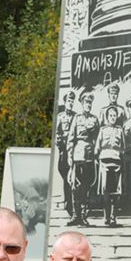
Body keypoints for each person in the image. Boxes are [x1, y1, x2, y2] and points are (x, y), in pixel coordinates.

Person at [67, 93, 101, 227]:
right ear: (81, 104)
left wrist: (96, 156)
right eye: (86, 102)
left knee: (87, 186)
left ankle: (84, 216)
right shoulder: (76, 118)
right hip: (78, 156)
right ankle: (76, 216)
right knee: (75, 186)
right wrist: (70, 156)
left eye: (90, 103)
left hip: (90, 157)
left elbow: (98, 139)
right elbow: (70, 139)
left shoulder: (95, 119)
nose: (88, 105)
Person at [95, 107, 125, 227]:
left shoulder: (120, 130)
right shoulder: (102, 130)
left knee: (116, 192)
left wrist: (118, 154)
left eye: (114, 116)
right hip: (104, 161)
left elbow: (123, 147)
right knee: (105, 192)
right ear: (107, 117)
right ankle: (106, 216)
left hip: (116, 161)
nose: (112, 118)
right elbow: (97, 147)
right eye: (110, 115)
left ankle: (113, 217)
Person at [56, 91, 78, 219]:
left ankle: (72, 206)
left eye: (72, 101)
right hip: (64, 151)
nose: (70, 103)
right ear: (64, 102)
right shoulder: (60, 116)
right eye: (68, 101)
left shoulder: (76, 116)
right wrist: (60, 145)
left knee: (73, 178)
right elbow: (58, 134)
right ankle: (68, 203)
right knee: (65, 176)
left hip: (73, 151)